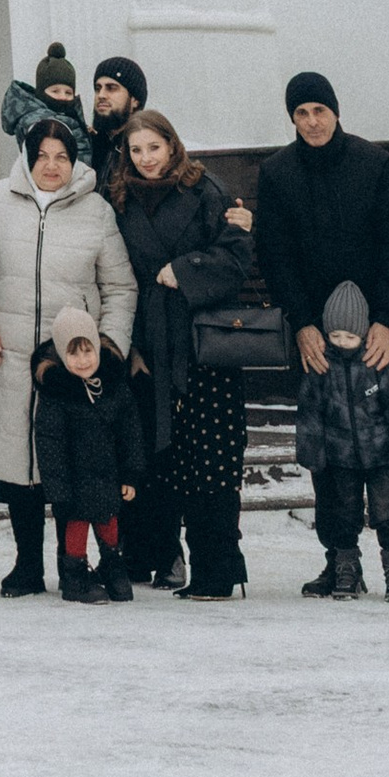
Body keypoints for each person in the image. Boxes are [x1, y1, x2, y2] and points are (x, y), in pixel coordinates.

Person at [250, 72, 389, 603]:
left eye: (319, 110)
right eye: (301, 113)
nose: (312, 121)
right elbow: (275, 255)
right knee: (328, 452)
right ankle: (341, 560)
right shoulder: (276, 174)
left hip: (384, 337)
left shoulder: (376, 165)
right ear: (291, 119)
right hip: (318, 339)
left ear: (336, 111)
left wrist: (386, 318)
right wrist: (302, 324)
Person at [0, 117, 137, 597]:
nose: (51, 166)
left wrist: (109, 349)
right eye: (42, 156)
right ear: (27, 156)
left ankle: (73, 564)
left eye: (61, 156)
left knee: (73, 465)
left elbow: (119, 286)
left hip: (73, 365)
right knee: (20, 466)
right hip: (8, 354)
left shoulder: (95, 211)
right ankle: (27, 564)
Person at [104, 104, 254, 596]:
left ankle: (217, 569)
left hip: (205, 344)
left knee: (212, 459)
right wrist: (131, 345)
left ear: (172, 144)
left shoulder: (205, 188)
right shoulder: (120, 199)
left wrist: (184, 270)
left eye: (154, 147)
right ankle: (158, 558)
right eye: (136, 149)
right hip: (149, 345)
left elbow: (236, 256)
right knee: (163, 460)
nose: (146, 158)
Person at [294, 279, 389, 601]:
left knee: (388, 512)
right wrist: (312, 453)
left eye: (348, 337)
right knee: (342, 510)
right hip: (340, 454)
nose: (343, 342)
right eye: (338, 336)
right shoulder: (323, 368)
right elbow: (310, 412)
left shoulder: (378, 367)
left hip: (381, 457)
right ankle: (343, 566)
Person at [34, 313, 147, 603]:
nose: (83, 361)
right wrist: (58, 490)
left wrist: (131, 474)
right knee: (77, 524)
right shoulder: (56, 393)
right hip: (74, 480)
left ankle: (112, 566)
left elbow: (130, 432)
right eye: (73, 354)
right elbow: (49, 443)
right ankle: (75, 575)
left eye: (88, 351)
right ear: (61, 354)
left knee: (109, 522)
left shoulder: (113, 387)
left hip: (108, 475)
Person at [0, 44, 91, 172]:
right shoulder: (38, 120)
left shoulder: (66, 116)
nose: (62, 97)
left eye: (68, 93)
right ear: (41, 93)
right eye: (55, 91)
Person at [87, 55, 146, 173]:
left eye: (111, 88)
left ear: (134, 100)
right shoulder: (88, 145)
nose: (101, 95)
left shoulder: (146, 148)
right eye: (98, 88)